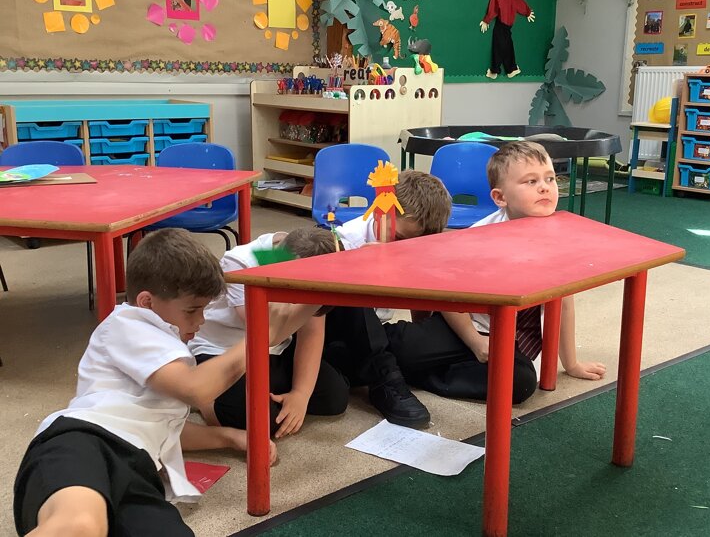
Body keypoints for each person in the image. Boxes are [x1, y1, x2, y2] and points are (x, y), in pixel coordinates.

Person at [13, 228, 275, 536]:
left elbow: (159, 429)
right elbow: (196, 390)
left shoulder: (169, 346)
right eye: (192, 310)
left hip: (137, 468)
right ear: (147, 302)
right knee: (79, 526)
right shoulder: (126, 323)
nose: (201, 320)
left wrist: (229, 437)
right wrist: (261, 336)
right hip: (82, 441)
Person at [385, 141, 606, 404]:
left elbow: (564, 302)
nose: (545, 187)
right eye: (531, 181)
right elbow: (449, 295)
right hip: (465, 326)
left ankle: (416, 374)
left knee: (520, 381)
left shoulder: (561, 238)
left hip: (510, 338)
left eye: (550, 178)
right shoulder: (479, 238)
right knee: (398, 346)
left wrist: (571, 364)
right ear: (500, 197)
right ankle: (397, 365)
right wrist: (475, 342)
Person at [190, 226, 349, 439]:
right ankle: (205, 402)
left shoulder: (297, 257)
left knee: (334, 397)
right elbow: (266, 333)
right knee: (260, 422)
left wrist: (300, 394)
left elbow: (311, 332)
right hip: (224, 352)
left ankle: (252, 396)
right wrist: (315, 299)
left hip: (274, 351)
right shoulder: (241, 263)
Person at [324, 170, 453, 428]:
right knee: (348, 287)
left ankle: (394, 368)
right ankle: (385, 376)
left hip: (380, 336)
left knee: (443, 336)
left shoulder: (416, 242)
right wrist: (358, 267)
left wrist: (421, 333)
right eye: (400, 239)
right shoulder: (344, 242)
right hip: (340, 337)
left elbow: (420, 298)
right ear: (379, 213)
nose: (402, 248)